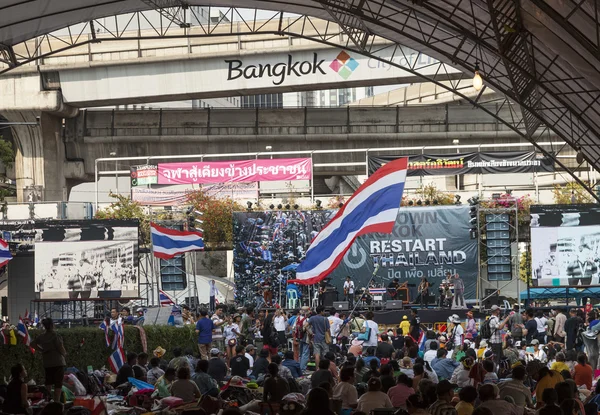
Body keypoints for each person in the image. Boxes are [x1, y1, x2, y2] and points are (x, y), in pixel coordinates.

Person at [30, 317, 67, 402]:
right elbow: (60, 348)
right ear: (52, 325)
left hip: (47, 363)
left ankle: (47, 401)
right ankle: (56, 403)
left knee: (48, 383)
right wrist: (65, 354)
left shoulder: (42, 337)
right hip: (58, 362)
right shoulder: (56, 336)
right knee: (58, 384)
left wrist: (41, 350)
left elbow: (32, 344)